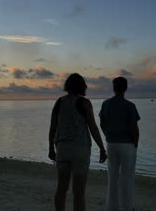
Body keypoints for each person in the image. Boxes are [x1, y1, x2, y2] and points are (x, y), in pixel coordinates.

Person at [48, 73, 107, 211]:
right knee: (79, 193)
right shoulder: (84, 102)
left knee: (61, 189)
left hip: (62, 148)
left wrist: (51, 147)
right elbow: (93, 128)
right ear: (82, 86)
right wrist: (102, 149)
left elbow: (53, 127)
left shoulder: (59, 102)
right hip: (80, 149)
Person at [99, 77, 140, 211]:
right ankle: (128, 207)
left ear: (114, 88)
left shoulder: (106, 104)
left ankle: (112, 207)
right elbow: (134, 127)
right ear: (126, 88)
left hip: (111, 143)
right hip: (127, 144)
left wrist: (108, 135)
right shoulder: (129, 105)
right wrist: (136, 142)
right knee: (127, 177)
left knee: (113, 176)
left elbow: (102, 123)